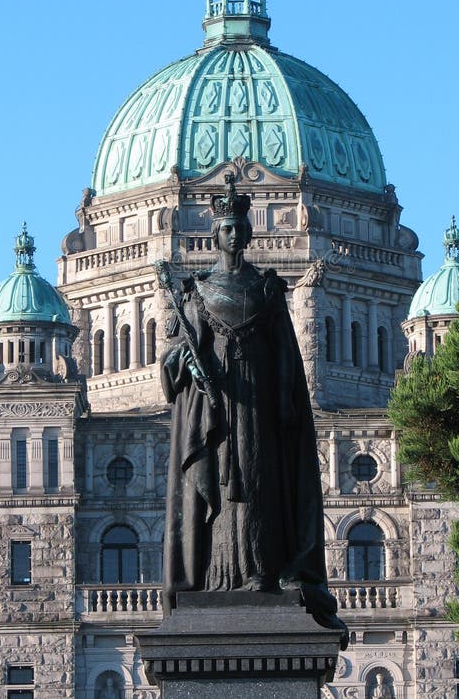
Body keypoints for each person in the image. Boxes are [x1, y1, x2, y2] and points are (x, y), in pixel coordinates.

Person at [160, 175, 348, 638]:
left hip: (260, 405)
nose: (233, 235)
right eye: (226, 227)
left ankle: (260, 569)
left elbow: (286, 353)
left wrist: (286, 403)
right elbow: (177, 358)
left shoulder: (267, 289)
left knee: (261, 480)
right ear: (216, 234)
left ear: (247, 234)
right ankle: (217, 575)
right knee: (219, 490)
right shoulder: (196, 292)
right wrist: (186, 361)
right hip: (215, 408)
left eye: (239, 228)